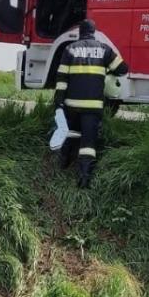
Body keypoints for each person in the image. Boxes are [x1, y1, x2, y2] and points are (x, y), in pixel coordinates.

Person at [55, 19, 128, 188]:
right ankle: (85, 178)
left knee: (69, 133)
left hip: (71, 105)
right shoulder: (104, 50)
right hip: (93, 107)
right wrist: (106, 70)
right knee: (88, 143)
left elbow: (61, 78)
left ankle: (62, 164)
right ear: (94, 32)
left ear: (80, 32)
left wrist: (58, 102)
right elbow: (123, 69)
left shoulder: (69, 49)